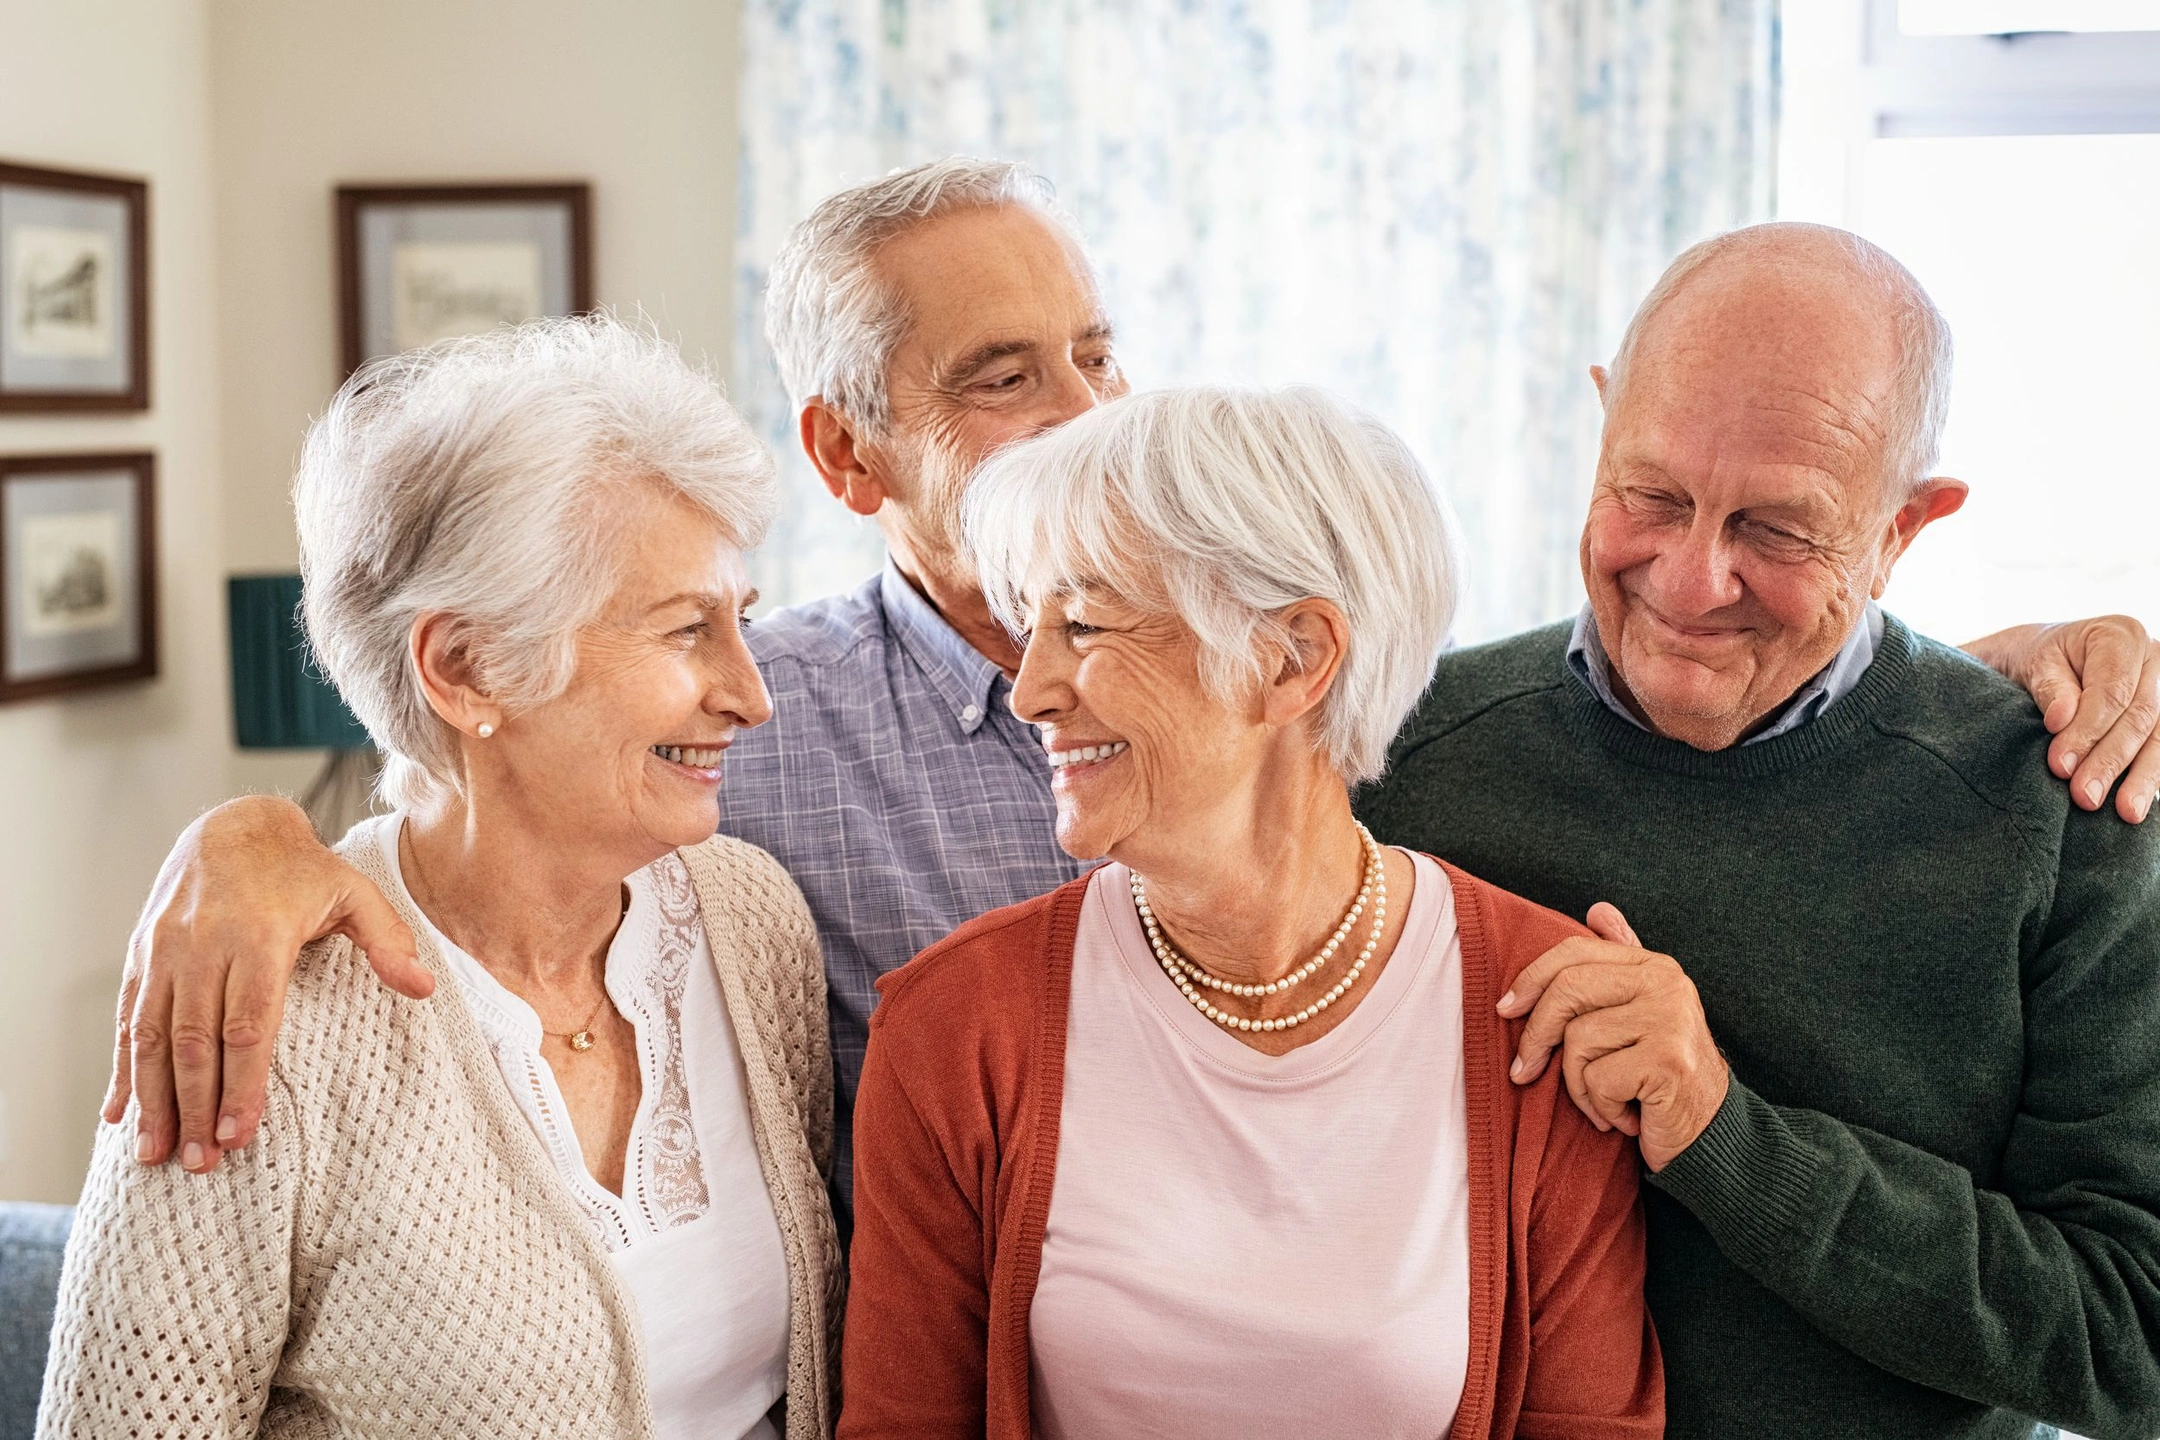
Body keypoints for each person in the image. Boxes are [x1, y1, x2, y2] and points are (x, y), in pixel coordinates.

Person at [103, 160, 2160, 1222]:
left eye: (1097, 350)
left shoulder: (1362, 731)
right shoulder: (748, 738)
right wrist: (252, 839)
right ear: (847, 460)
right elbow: (483, 833)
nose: (1092, 407)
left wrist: (1986, 670)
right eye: (1004, 379)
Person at [1355, 224, 2160, 1438]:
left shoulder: (2070, 811)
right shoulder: (1398, 759)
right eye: (1652, 496)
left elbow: (2129, 1340)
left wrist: (1725, 1134)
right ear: (1600, 420)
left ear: (1904, 530)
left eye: (1776, 532)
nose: (1688, 583)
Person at [39, 319, 840, 1439]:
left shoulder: (750, 921)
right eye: (685, 632)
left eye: (739, 624)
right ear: (466, 668)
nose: (751, 695)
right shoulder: (262, 1008)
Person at [841, 385, 1660, 1439]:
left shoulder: (1542, 1011)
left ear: (1293, 659)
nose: (1030, 687)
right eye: (1028, 627)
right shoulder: (955, 1027)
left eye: (1083, 622)